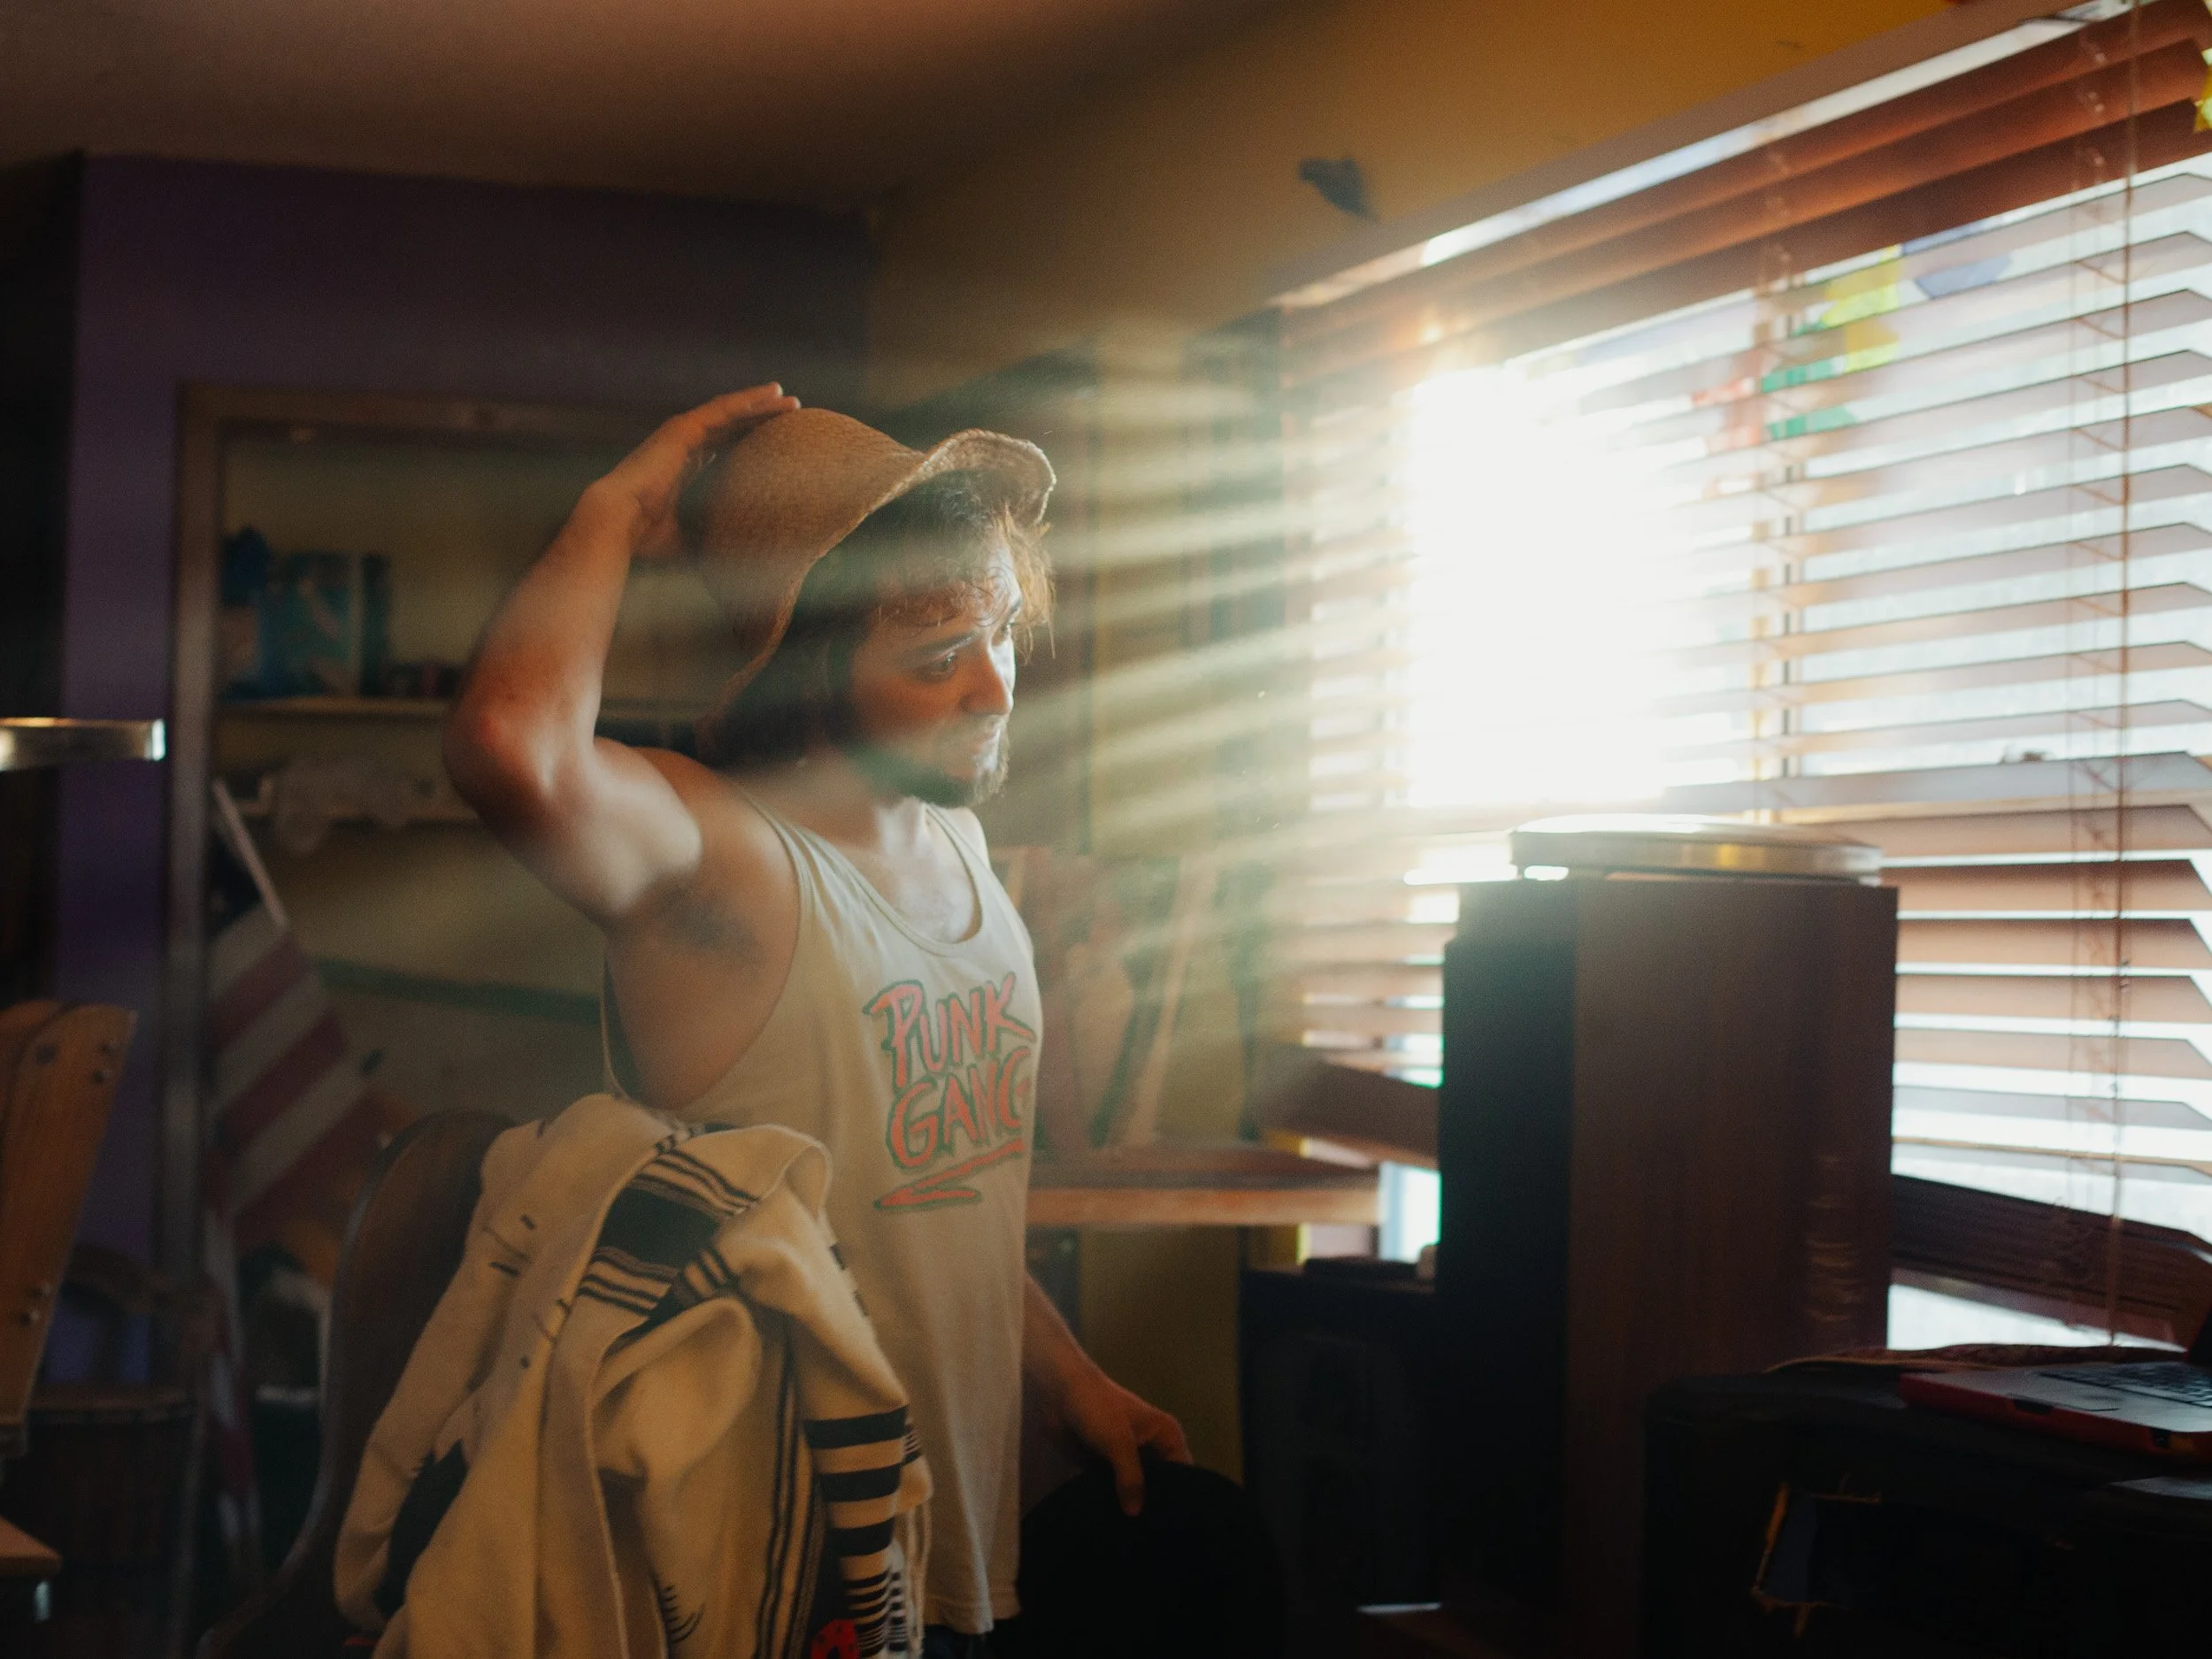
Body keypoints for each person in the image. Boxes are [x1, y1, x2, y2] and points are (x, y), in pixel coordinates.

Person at [444, 386, 1191, 1656]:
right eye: (932, 655)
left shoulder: (963, 850)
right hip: (767, 1570)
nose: (992, 690)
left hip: (954, 1552)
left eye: (999, 634)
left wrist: (1068, 1379)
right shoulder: (721, 859)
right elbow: (513, 743)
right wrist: (618, 508)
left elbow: (930, 1193)